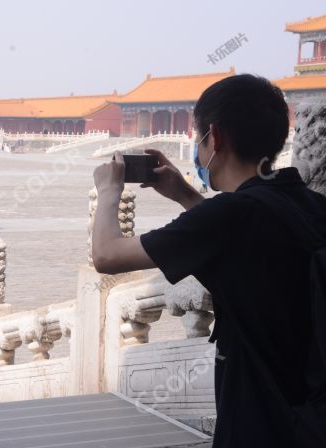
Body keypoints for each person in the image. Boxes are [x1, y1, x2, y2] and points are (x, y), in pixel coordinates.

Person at [91, 74, 326, 448]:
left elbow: (106, 254)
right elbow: (239, 237)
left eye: (198, 138)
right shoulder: (306, 202)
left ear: (214, 138)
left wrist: (108, 190)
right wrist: (184, 193)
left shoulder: (228, 216)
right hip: (310, 414)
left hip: (259, 421)